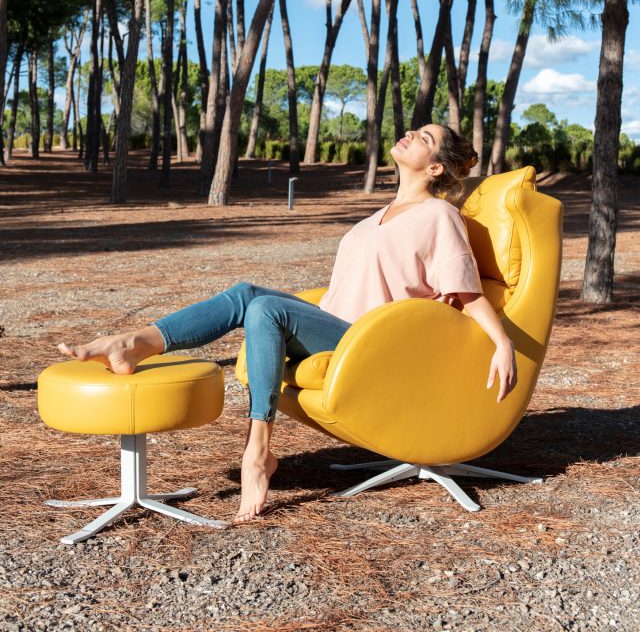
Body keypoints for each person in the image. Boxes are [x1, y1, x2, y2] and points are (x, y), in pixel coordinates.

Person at [59, 124, 517, 524]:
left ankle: (257, 453)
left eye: (426, 138)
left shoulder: (439, 215)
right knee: (246, 294)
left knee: (265, 309)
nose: (412, 134)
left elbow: (465, 290)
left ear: (435, 167)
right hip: (337, 326)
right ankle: (135, 343)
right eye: (417, 130)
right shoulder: (379, 216)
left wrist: (502, 342)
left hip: (371, 342)